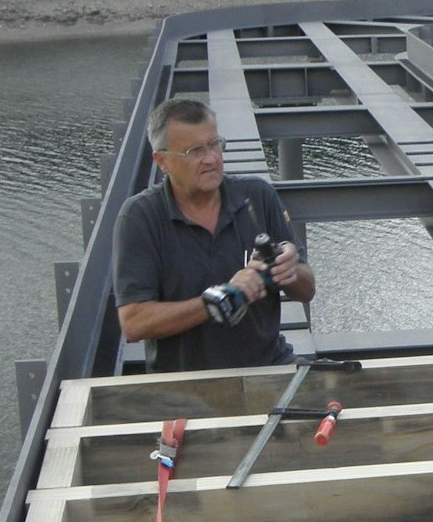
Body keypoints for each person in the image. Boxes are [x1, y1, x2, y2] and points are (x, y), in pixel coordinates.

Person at [113, 98, 316, 372]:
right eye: (194, 151)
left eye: (214, 144)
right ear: (162, 161)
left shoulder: (257, 196)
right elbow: (134, 323)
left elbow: (307, 290)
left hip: (269, 367)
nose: (211, 159)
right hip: (185, 386)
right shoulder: (141, 217)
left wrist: (289, 270)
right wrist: (221, 299)